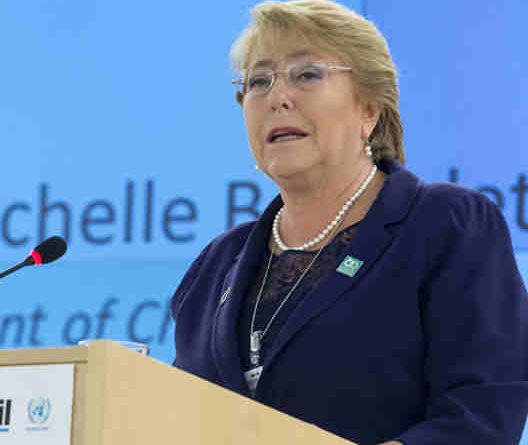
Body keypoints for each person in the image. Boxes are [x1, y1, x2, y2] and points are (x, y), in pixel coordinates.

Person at [170, 1, 528, 444]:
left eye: (306, 74)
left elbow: (482, 415)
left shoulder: (446, 226)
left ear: (369, 110)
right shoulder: (214, 267)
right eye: (259, 81)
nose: (277, 97)